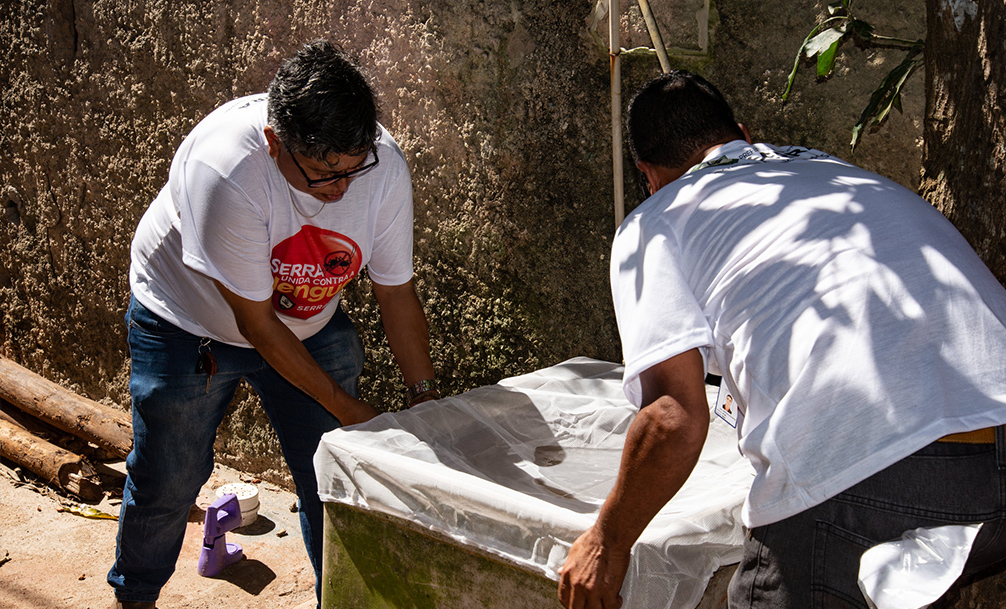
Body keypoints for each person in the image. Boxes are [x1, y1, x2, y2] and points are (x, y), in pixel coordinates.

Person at [558, 70, 1006, 609]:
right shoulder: (837, 174)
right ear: (745, 135)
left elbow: (673, 415)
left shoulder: (655, 220)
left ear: (648, 175)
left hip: (880, 464)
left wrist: (606, 541)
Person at [108, 40, 439, 609]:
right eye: (322, 174)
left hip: (306, 321)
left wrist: (425, 396)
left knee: (333, 482)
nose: (341, 189)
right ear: (273, 141)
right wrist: (348, 409)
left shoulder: (381, 167)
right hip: (188, 322)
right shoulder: (227, 170)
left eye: (354, 169)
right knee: (168, 480)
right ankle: (134, 598)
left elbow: (396, 291)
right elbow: (258, 325)